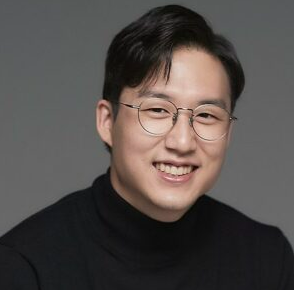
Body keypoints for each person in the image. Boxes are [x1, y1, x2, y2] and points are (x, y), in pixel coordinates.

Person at [0, 4, 293, 289]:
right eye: (157, 110)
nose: (182, 142)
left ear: (228, 131)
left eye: (206, 115)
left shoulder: (266, 259)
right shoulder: (25, 266)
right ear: (107, 121)